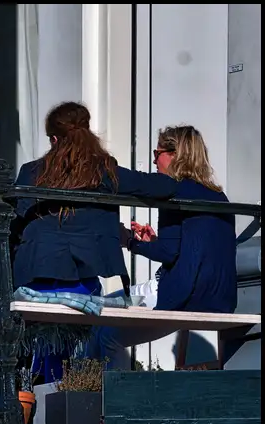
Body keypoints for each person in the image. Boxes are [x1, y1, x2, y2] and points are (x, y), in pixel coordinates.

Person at [12, 101, 179, 383]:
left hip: (34, 279)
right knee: (85, 325)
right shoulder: (103, 170)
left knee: (43, 340)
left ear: (54, 139)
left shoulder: (31, 172)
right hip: (81, 281)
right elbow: (158, 186)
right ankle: (75, 392)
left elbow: (14, 226)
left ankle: (45, 391)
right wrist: (187, 177)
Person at [88, 125, 236, 368]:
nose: (154, 161)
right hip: (219, 298)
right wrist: (153, 243)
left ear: (175, 155)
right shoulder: (218, 196)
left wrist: (128, 240)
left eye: (157, 154)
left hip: (185, 295)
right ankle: (92, 385)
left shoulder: (173, 190)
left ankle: (99, 390)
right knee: (103, 312)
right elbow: (186, 249)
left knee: (103, 329)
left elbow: (168, 253)